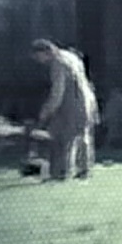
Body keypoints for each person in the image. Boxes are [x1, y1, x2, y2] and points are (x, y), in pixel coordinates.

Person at [31, 38, 99, 181]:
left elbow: (58, 91)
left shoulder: (58, 64)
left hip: (71, 104)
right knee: (83, 136)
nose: (39, 61)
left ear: (46, 52)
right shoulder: (70, 56)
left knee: (64, 138)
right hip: (87, 100)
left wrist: (47, 110)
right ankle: (84, 169)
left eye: (38, 57)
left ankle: (63, 171)